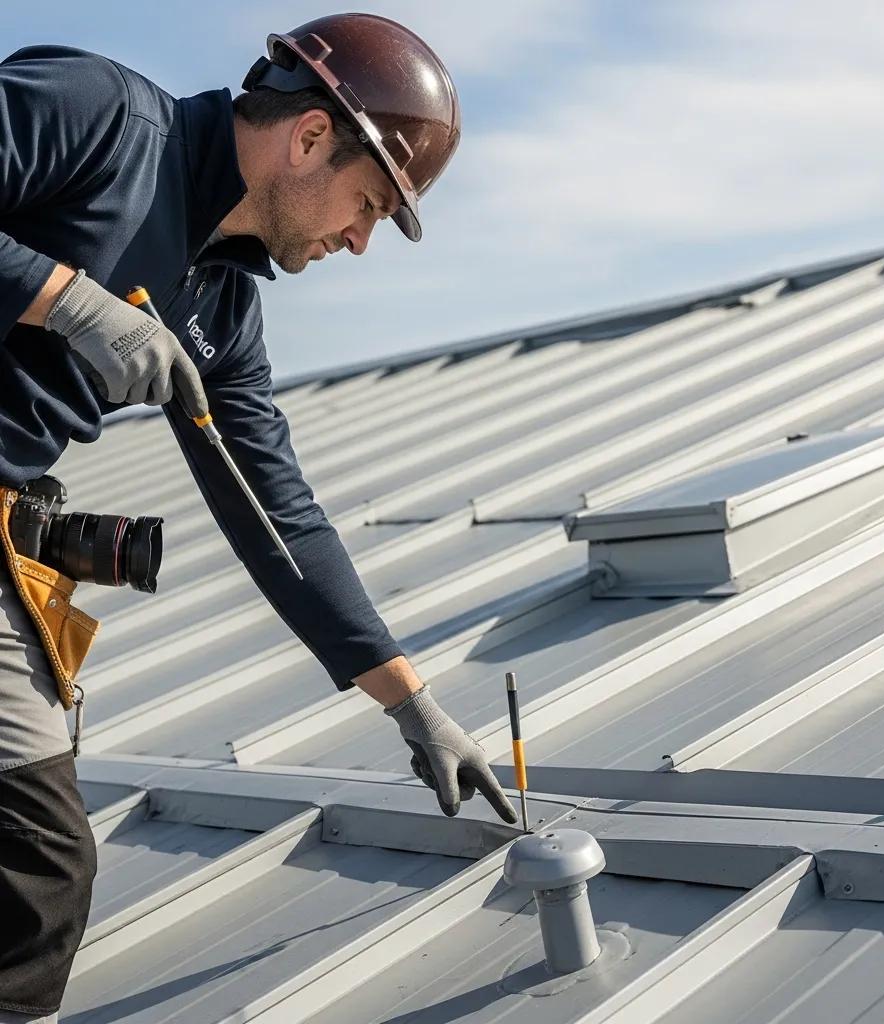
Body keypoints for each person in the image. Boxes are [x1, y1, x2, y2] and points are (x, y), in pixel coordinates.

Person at [0, 14, 516, 1021]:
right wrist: (64, 298)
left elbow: (277, 514)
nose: (359, 241)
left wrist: (409, 701)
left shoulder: (223, 310)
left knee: (38, 868)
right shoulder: (96, 116)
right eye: (367, 205)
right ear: (311, 137)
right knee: (38, 849)